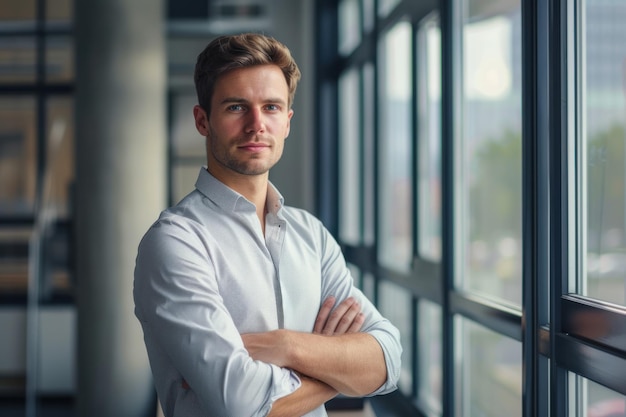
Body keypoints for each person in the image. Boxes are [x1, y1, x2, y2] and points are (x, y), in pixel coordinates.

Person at [133, 32, 402, 417]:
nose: (257, 125)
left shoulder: (312, 235)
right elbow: (240, 405)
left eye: (272, 107)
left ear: (287, 122)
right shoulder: (175, 243)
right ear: (202, 120)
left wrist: (286, 346)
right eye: (236, 107)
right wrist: (340, 369)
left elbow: (389, 357)